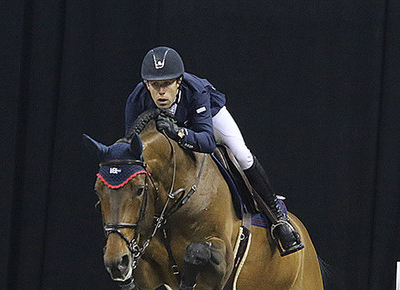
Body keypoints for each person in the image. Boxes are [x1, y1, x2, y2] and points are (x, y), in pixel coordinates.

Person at [125, 46, 303, 256]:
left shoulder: (196, 90)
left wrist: (180, 133)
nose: (161, 92)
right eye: (155, 85)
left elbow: (208, 141)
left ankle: (277, 218)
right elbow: (133, 151)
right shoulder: (136, 100)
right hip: (176, 128)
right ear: (147, 84)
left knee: (241, 154)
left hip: (209, 115)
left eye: (167, 84)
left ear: (179, 81)